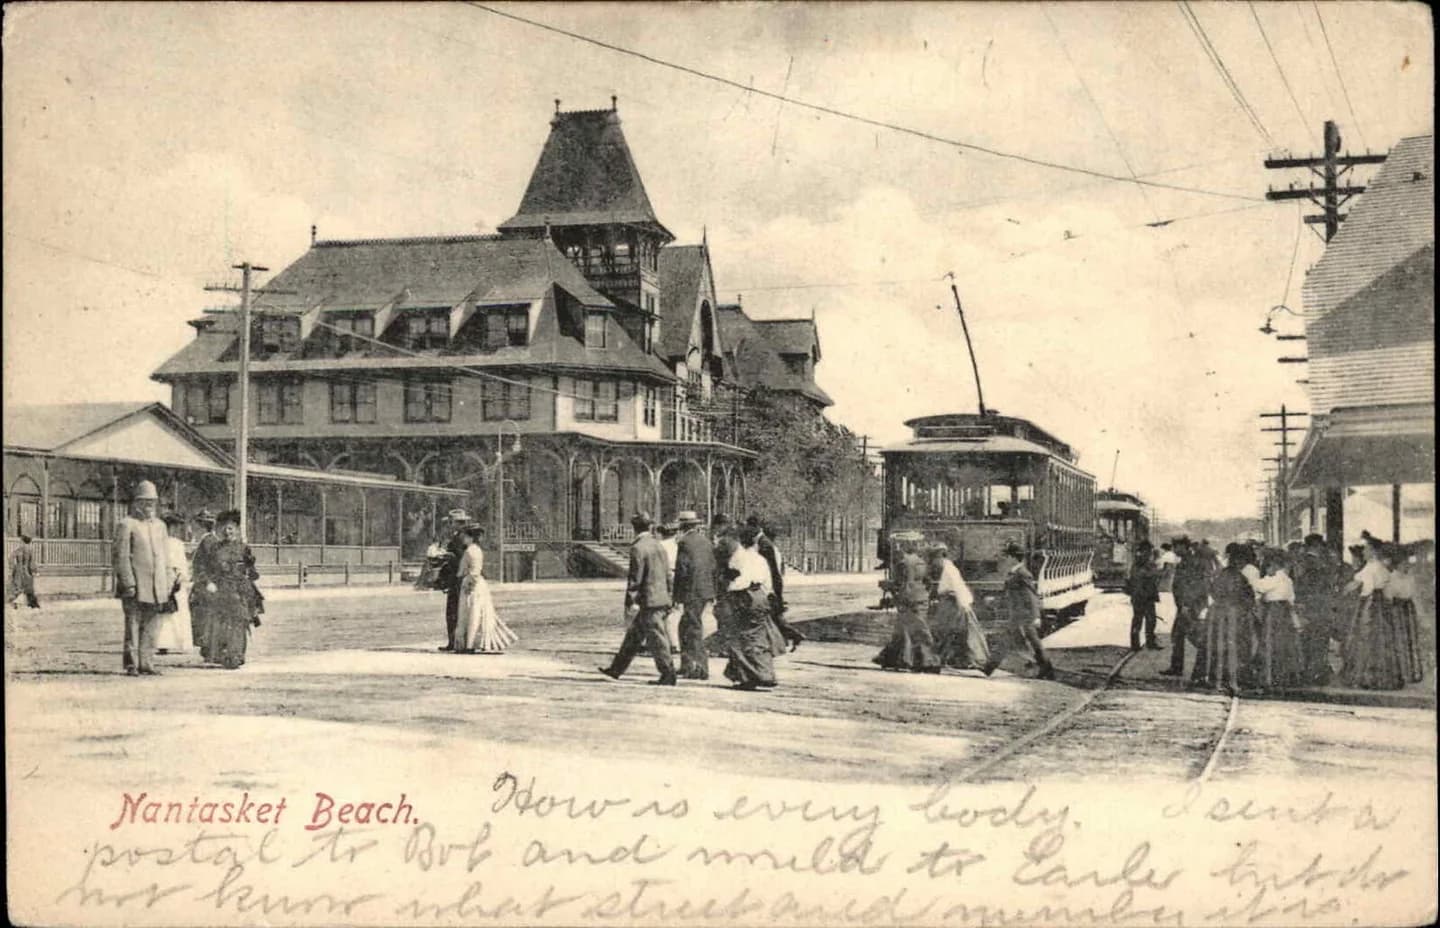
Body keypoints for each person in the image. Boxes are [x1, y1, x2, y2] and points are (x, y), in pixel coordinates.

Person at [599, 513, 676, 685]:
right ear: (649, 527)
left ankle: (668, 673)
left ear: (634, 528)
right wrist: (670, 595)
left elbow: (635, 578)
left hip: (649, 601)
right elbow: (668, 574)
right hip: (660, 597)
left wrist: (630, 600)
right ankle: (616, 669)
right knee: (633, 637)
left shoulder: (638, 548)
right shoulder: (658, 545)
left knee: (657, 639)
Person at [113, 480, 171, 676]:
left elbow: (165, 557)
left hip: (157, 586)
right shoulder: (127, 524)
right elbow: (120, 557)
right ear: (136, 503)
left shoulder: (160, 526)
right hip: (136, 585)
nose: (150, 506)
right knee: (133, 624)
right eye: (145, 502)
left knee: (152, 625)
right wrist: (128, 582)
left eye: (153, 502)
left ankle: (147, 662)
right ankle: (132, 664)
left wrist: (168, 583)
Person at [193, 509, 262, 670]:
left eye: (231, 528)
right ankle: (221, 653)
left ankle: (236, 654)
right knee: (221, 622)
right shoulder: (215, 548)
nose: (227, 531)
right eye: (224, 528)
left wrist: (250, 576)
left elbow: (252, 570)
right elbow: (203, 568)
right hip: (220, 589)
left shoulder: (244, 548)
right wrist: (208, 582)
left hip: (239, 590)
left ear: (237, 530)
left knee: (239, 621)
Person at [719, 525, 782, 690]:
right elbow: (768, 582)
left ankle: (751, 676)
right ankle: (763, 673)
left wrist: (728, 593)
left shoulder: (739, 558)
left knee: (740, 637)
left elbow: (738, 582)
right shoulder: (760, 559)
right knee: (758, 636)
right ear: (754, 541)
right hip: (760, 596)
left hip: (744, 597)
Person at [1340, 536, 1403, 690]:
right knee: (1370, 638)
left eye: (1367, 549)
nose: (1364, 552)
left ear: (1373, 551)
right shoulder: (1371, 565)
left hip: (1372, 604)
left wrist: (1351, 590)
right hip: (1374, 603)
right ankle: (1371, 676)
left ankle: (1369, 677)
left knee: (1368, 638)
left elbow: (1369, 587)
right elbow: (1358, 581)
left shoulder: (1376, 567)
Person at [873, 534, 941, 672]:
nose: (898, 547)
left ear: (904, 546)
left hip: (910, 599)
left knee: (917, 630)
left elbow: (906, 583)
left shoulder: (905, 562)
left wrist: (890, 586)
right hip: (921, 597)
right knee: (903, 629)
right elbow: (926, 581)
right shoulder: (921, 561)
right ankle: (898, 660)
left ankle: (930, 663)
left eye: (900, 544)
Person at [926, 544, 995, 675]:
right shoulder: (947, 568)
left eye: (934, 558)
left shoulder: (949, 570)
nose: (933, 562)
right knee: (957, 634)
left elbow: (957, 589)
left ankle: (937, 663)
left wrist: (962, 606)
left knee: (947, 633)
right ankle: (975, 661)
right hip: (956, 603)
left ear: (940, 557)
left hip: (954, 604)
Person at [1200, 543, 1255, 694]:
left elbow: (1212, 592)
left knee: (1218, 648)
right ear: (1239, 560)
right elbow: (1248, 597)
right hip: (1234, 615)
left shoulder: (1220, 574)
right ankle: (1233, 681)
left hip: (1218, 615)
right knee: (1234, 649)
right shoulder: (1240, 577)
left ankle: (1217, 681)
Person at [453, 525, 516, 654]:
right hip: (475, 584)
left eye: (465, 536)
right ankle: (471, 643)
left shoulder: (471, 551)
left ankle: (469, 644)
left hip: (472, 585)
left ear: (471, 538)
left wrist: (469, 584)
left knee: (471, 614)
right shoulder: (475, 549)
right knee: (475, 614)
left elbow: (474, 571)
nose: (462, 538)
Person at [747, 516, 805, 651]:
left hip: (767, 587)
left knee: (770, 617)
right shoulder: (762, 542)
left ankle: (791, 636)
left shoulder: (764, 544)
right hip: (768, 587)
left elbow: (773, 571)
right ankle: (790, 638)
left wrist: (777, 593)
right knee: (771, 617)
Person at [999, 542, 1055, 680]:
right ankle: (988, 667)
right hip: (1018, 614)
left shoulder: (1022, 574)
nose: (1004, 559)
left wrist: (1036, 616)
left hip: (1025, 615)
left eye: (1006, 556)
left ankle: (1047, 668)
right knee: (1010, 640)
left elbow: (1031, 596)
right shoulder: (1015, 572)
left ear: (1013, 558)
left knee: (1034, 642)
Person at [671, 510, 717, 680]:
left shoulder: (684, 543)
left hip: (691, 590)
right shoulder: (706, 541)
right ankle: (687, 664)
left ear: (682, 526)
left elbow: (682, 570)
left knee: (692, 628)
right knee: (685, 626)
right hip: (705, 590)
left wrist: (676, 596)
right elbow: (713, 567)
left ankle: (700, 668)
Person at [1251, 548, 1302, 689]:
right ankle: (1284, 677)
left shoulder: (1274, 578)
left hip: (1273, 612)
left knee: (1270, 644)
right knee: (1284, 645)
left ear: (1272, 565)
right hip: (1285, 612)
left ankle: (1270, 678)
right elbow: (1291, 599)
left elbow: (1258, 587)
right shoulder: (1287, 579)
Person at [1292, 534, 1339, 685]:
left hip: (1310, 606)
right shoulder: (1316, 563)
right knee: (1318, 640)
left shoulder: (1301, 561)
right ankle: (1315, 672)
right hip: (1318, 607)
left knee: (1309, 639)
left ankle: (1310, 671)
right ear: (1317, 546)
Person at [1162, 538, 1212, 680]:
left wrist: (1187, 605)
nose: (1174, 550)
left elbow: (1193, 586)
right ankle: (1177, 667)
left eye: (1176, 547)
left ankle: (1203, 669)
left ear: (1184, 547)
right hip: (1184, 605)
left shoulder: (1191, 562)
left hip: (1189, 605)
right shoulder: (1186, 561)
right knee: (1178, 635)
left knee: (1195, 636)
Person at [152, 512, 193, 656]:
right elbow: (181, 565)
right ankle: (181, 643)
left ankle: (162, 643)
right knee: (178, 611)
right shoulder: (176, 543)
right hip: (175, 580)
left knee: (163, 613)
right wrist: (182, 577)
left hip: (163, 580)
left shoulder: (157, 542)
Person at [1386, 546, 1424, 684]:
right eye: (1404, 563)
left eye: (1407, 562)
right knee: (1399, 640)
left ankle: (1413, 673)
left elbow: (1414, 595)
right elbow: (1389, 597)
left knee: (1411, 639)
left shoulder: (1410, 577)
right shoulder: (1391, 577)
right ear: (1398, 563)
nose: (1407, 565)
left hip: (1409, 610)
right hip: (1397, 611)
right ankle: (1402, 673)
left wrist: (1420, 614)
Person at [436, 509, 471, 652]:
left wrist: (447, 556)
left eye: (452, 522)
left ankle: (455, 642)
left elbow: (463, 558)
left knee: (454, 611)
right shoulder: (458, 536)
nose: (450, 525)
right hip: (454, 577)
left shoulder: (462, 537)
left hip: (458, 578)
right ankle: (453, 641)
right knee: (453, 611)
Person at [188, 509, 218, 652]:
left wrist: (206, 582)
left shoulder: (208, 541)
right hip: (205, 584)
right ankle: (207, 647)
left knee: (204, 616)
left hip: (205, 585)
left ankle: (208, 647)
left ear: (201, 526)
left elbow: (205, 565)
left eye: (195, 525)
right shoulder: (208, 541)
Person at [1126, 543, 1162, 651]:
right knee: (1140, 620)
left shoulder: (1146, 563)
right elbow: (1142, 576)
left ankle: (1147, 643)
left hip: (1146, 596)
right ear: (1144, 551)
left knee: (1149, 620)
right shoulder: (1140, 563)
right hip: (1141, 596)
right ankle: (1136, 645)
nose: (1150, 553)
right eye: (1148, 551)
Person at [656, 522, 682, 655]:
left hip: (663, 579)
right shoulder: (678, 546)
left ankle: (669, 642)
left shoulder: (659, 546)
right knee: (675, 612)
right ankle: (675, 642)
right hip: (678, 577)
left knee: (665, 612)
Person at [8, 533, 39, 609]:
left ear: (23, 541)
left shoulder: (19, 549)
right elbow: (32, 562)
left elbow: (11, 557)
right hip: (26, 571)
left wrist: (12, 567)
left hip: (18, 570)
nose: (20, 542)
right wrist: (34, 571)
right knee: (29, 588)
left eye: (21, 540)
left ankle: (16, 604)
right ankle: (32, 604)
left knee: (18, 586)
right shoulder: (30, 549)